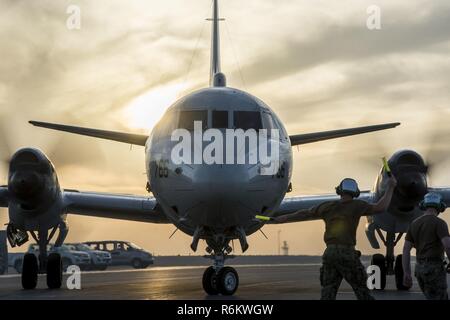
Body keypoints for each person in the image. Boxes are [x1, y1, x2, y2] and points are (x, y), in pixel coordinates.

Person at [274, 176, 397, 300]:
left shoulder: (327, 207)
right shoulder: (358, 205)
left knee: (328, 293)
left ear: (339, 191)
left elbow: (303, 213)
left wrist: (282, 219)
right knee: (362, 291)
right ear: (355, 193)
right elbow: (381, 207)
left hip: (330, 253)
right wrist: (390, 187)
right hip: (347, 253)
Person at [402, 192, 450, 300]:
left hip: (419, 269)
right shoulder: (440, 223)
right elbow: (448, 246)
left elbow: (406, 249)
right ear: (440, 206)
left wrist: (406, 273)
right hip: (435, 268)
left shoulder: (413, 224)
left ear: (423, 205)